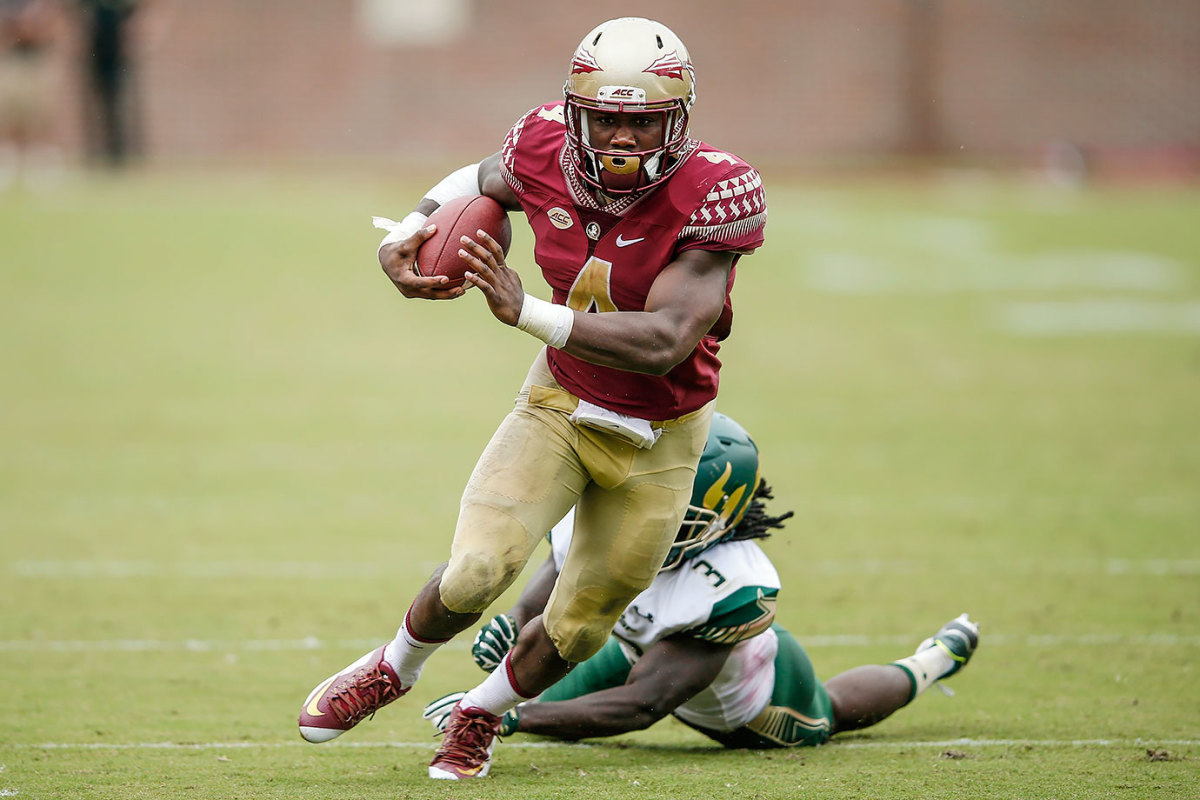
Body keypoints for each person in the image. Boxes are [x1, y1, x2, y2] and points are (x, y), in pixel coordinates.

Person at [297, 17, 767, 781]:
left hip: (664, 430)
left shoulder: (717, 188)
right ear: (575, 111)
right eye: (606, 116)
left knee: (580, 627)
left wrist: (527, 312)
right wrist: (408, 231)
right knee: (476, 573)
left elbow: (667, 340)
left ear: (677, 119)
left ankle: (480, 714)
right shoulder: (544, 143)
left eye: (641, 119)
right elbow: (480, 179)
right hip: (559, 402)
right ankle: (393, 666)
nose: (620, 138)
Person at [422, 413, 981, 749]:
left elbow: (645, 703)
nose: (645, 522)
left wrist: (510, 713)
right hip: (632, 644)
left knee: (829, 714)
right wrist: (513, 629)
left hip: (740, 693)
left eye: (669, 515)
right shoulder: (603, 517)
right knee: (532, 692)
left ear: (719, 520)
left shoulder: (731, 588)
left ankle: (928, 663)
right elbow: (552, 589)